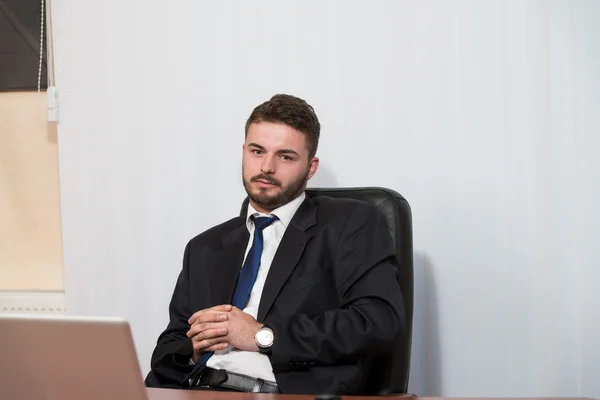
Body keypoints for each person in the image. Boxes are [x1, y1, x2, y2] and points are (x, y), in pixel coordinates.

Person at [144, 94, 405, 394]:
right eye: (257, 151)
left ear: (310, 167)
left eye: (285, 156)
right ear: (243, 152)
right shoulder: (205, 247)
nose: (267, 167)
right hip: (194, 390)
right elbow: (166, 350)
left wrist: (261, 336)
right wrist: (194, 347)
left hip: (275, 391)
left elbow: (378, 322)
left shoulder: (349, 223)